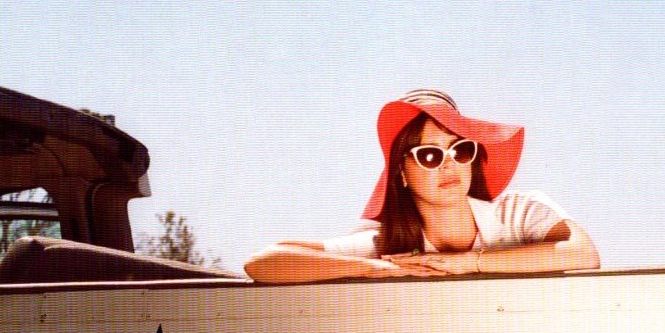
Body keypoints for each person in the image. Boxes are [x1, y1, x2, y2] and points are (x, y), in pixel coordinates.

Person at [244, 90, 600, 283]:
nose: (449, 163)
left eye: (460, 150)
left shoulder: (520, 212)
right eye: (429, 155)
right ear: (402, 173)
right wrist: (373, 268)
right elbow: (262, 263)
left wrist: (469, 263)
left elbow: (583, 253)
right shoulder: (390, 246)